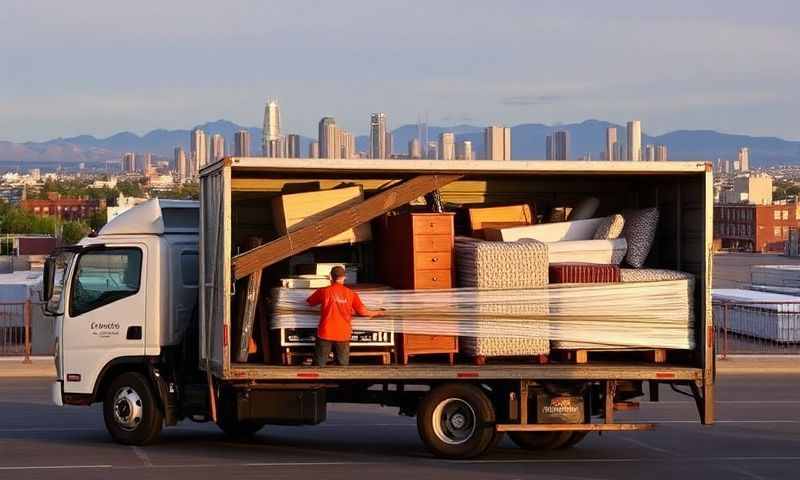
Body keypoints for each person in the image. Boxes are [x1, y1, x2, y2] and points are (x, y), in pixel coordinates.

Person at [306, 266, 385, 366]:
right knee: (342, 366)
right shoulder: (351, 294)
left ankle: (318, 380)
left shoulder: (323, 291)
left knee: (319, 365)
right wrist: (378, 313)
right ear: (344, 277)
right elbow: (363, 312)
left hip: (326, 332)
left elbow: (310, 302)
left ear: (331, 277)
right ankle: (341, 380)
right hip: (343, 333)